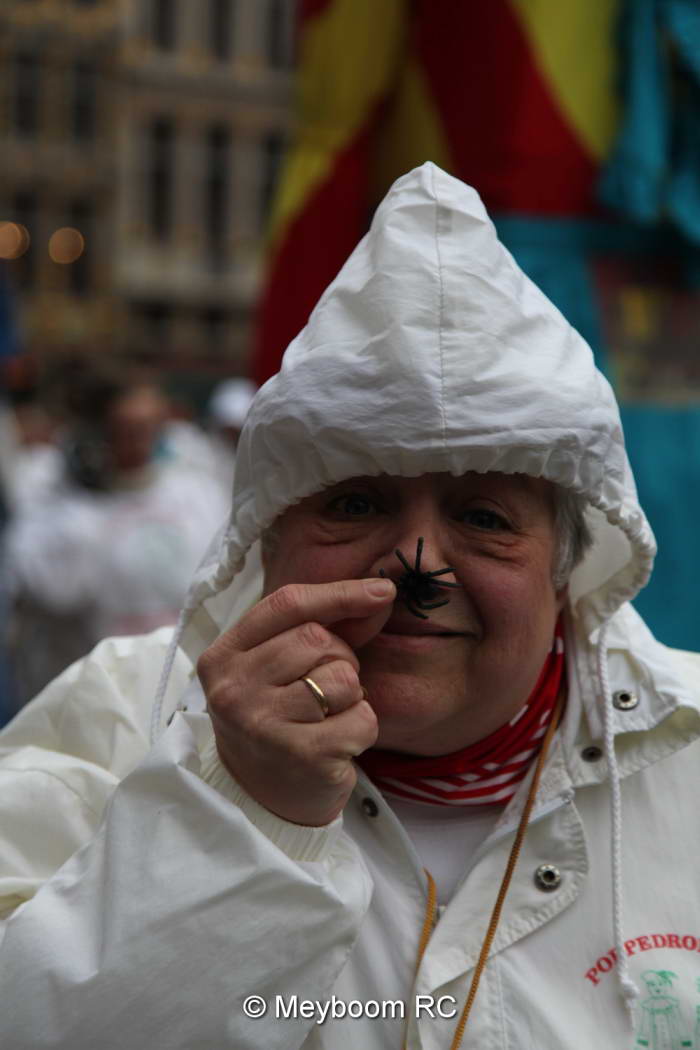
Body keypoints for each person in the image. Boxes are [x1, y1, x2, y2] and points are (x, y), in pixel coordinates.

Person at [1, 163, 699, 1049]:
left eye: (484, 518)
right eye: (356, 503)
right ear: (268, 540)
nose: (417, 567)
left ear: (565, 569)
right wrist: (247, 815)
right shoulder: (111, 718)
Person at [3, 369, 229, 707]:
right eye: (128, 430)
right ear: (98, 429)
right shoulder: (58, 503)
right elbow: (53, 590)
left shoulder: (197, 494)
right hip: (92, 701)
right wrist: (88, 500)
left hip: (179, 695)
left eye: (151, 427)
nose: (142, 441)